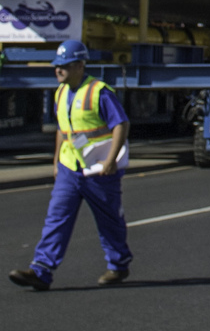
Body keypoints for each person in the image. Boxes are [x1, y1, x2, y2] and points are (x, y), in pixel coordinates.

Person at [9, 39, 132, 291]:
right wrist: (56, 161)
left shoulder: (99, 91)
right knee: (57, 218)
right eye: (56, 65)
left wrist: (110, 161)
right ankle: (41, 270)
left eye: (63, 66)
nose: (58, 70)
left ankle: (118, 265)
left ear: (79, 65)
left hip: (99, 169)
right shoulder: (60, 93)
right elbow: (63, 131)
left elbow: (121, 124)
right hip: (70, 168)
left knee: (109, 220)